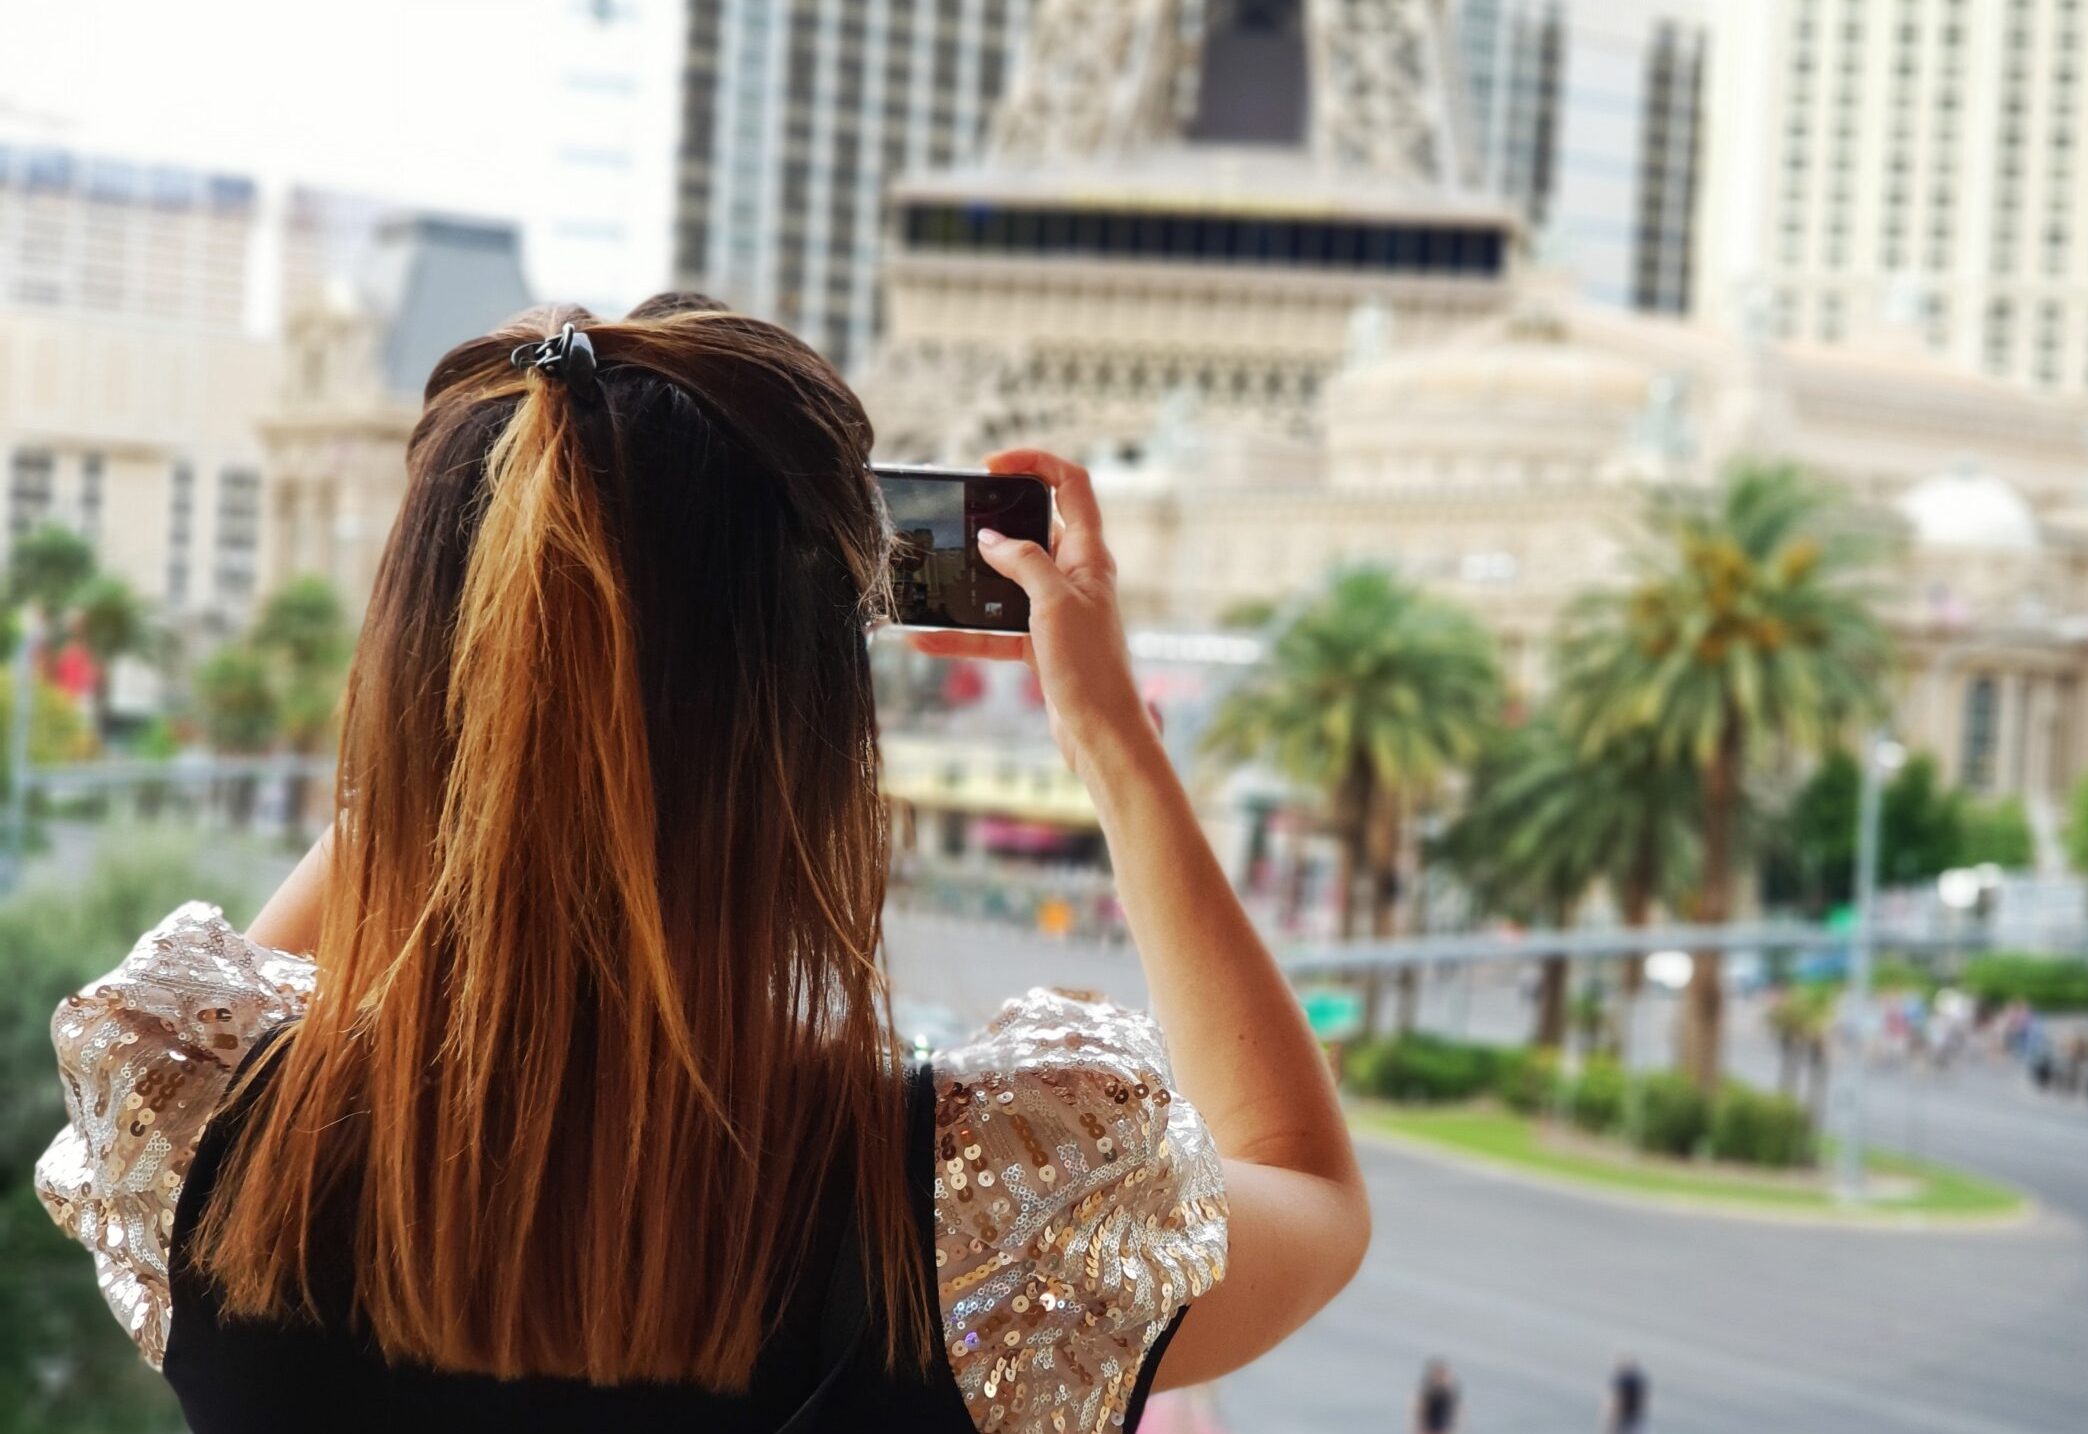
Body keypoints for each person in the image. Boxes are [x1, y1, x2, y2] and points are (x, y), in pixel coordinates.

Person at [32, 299, 1369, 1433]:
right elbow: (1306, 1186)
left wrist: (504, 670)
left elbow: (313, 942)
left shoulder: (193, 1125)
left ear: (407, 673)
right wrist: (1115, 745)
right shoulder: (982, 1213)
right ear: (812, 746)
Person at [1604, 1355, 1649, 1434]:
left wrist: (1611, 1422)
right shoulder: (1636, 1382)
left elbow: (1617, 1403)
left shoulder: (1623, 1382)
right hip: (1635, 1420)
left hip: (1625, 1421)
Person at [1416, 1360, 1461, 1434]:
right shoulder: (1428, 1392)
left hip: (1443, 1428)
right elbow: (1420, 1410)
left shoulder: (1449, 1394)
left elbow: (1456, 1412)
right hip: (1428, 1429)